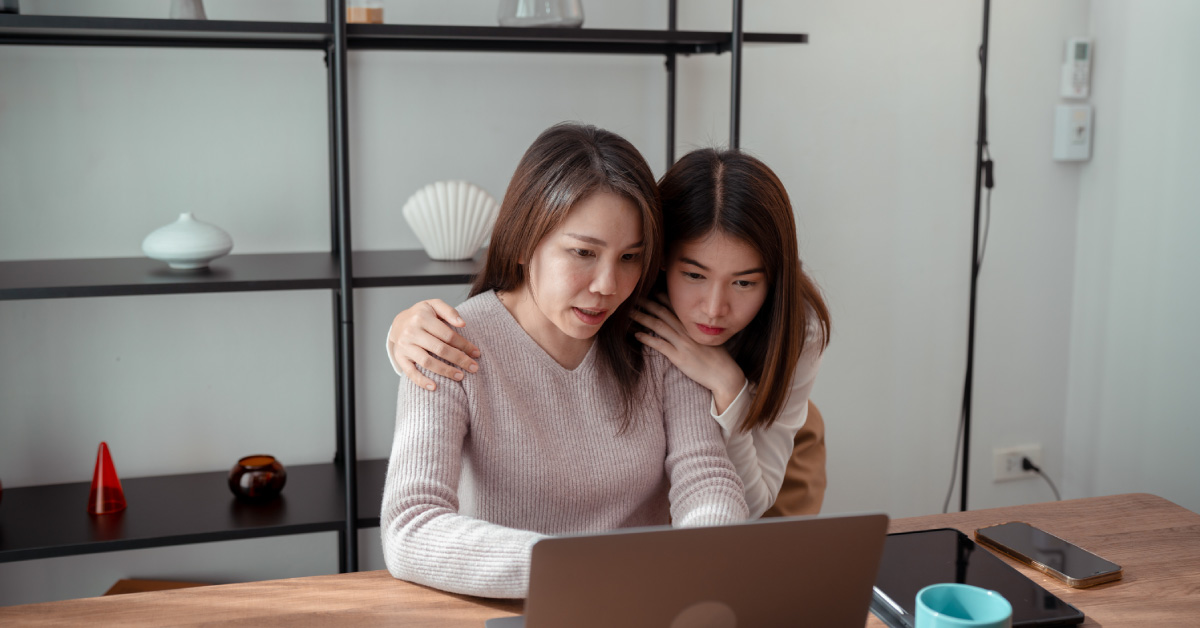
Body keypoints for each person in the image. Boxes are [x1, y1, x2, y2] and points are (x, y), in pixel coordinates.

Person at [380, 123, 749, 600]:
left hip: (646, 603)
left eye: (630, 257)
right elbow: (411, 528)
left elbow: (707, 478)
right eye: (583, 253)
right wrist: (581, 572)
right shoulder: (446, 343)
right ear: (524, 239)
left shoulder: (655, 335)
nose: (607, 285)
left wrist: (697, 559)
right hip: (521, 608)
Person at [387, 148, 830, 518]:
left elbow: (723, 488)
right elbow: (414, 518)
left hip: (761, 422)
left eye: (745, 282)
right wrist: (401, 337)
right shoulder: (639, 304)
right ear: (662, 259)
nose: (714, 308)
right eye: (694, 274)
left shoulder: (792, 328)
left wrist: (731, 390)